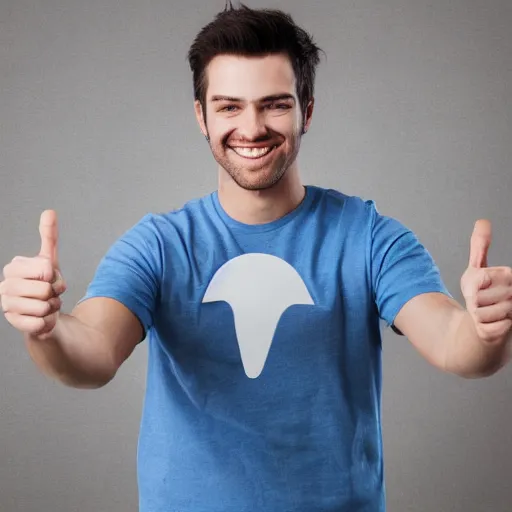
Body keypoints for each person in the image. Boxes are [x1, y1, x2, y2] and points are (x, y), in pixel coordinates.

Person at [1, 3, 511, 511]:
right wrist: (46, 330)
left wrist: (487, 330)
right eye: (228, 106)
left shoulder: (368, 237)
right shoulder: (158, 245)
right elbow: (90, 354)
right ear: (201, 116)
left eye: (274, 104)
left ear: (306, 109)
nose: (251, 127)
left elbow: (454, 343)